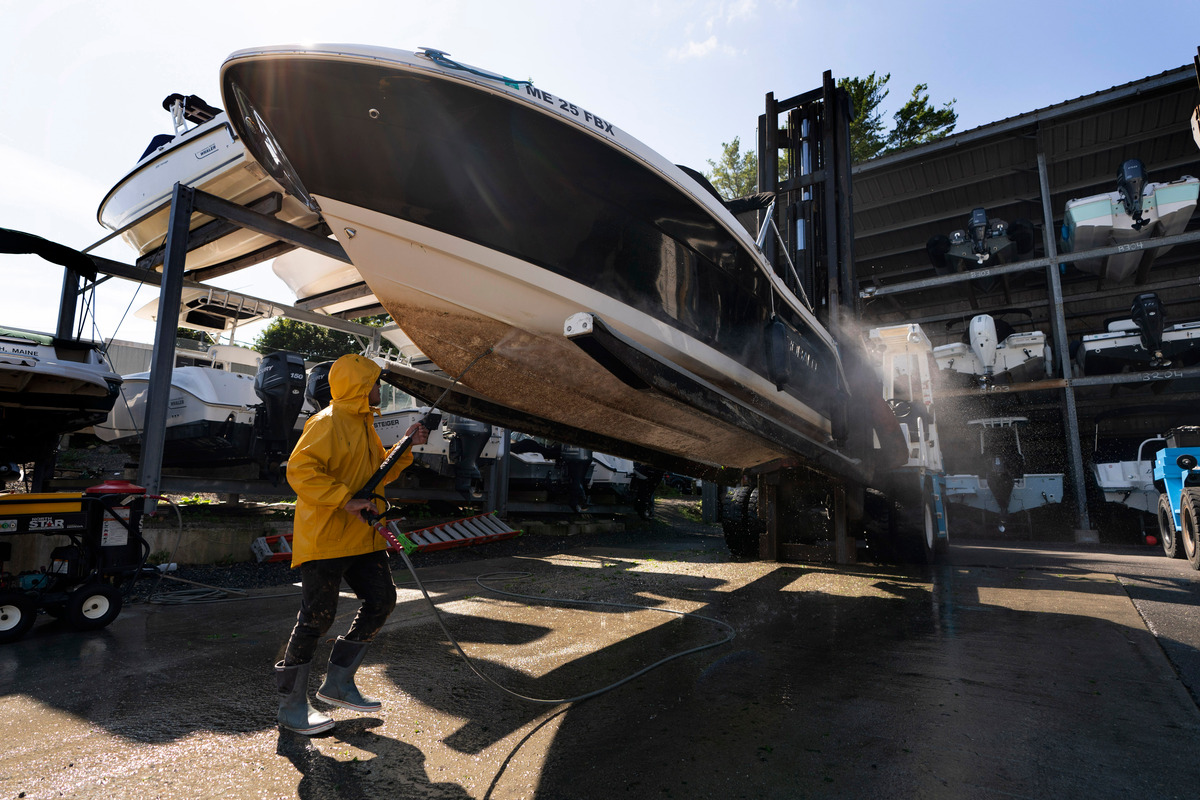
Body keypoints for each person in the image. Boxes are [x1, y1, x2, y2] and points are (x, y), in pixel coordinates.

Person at [274, 353, 429, 735]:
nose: (380, 390)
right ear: (361, 386)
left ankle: (338, 684)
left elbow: (376, 475)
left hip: (361, 535)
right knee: (317, 618)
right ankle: (291, 707)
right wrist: (344, 498)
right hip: (326, 536)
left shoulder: (363, 424)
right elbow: (300, 471)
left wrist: (406, 445)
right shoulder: (325, 422)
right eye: (375, 383)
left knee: (381, 601)